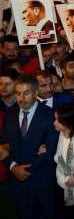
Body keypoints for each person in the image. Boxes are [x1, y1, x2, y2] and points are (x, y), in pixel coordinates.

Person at [1, 75, 58, 219]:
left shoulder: (51, 115)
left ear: (35, 92)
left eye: (26, 93)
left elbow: (52, 150)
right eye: (18, 93)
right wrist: (13, 167)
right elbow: (3, 145)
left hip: (42, 183)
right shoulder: (10, 115)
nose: (21, 98)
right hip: (16, 184)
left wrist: (25, 170)